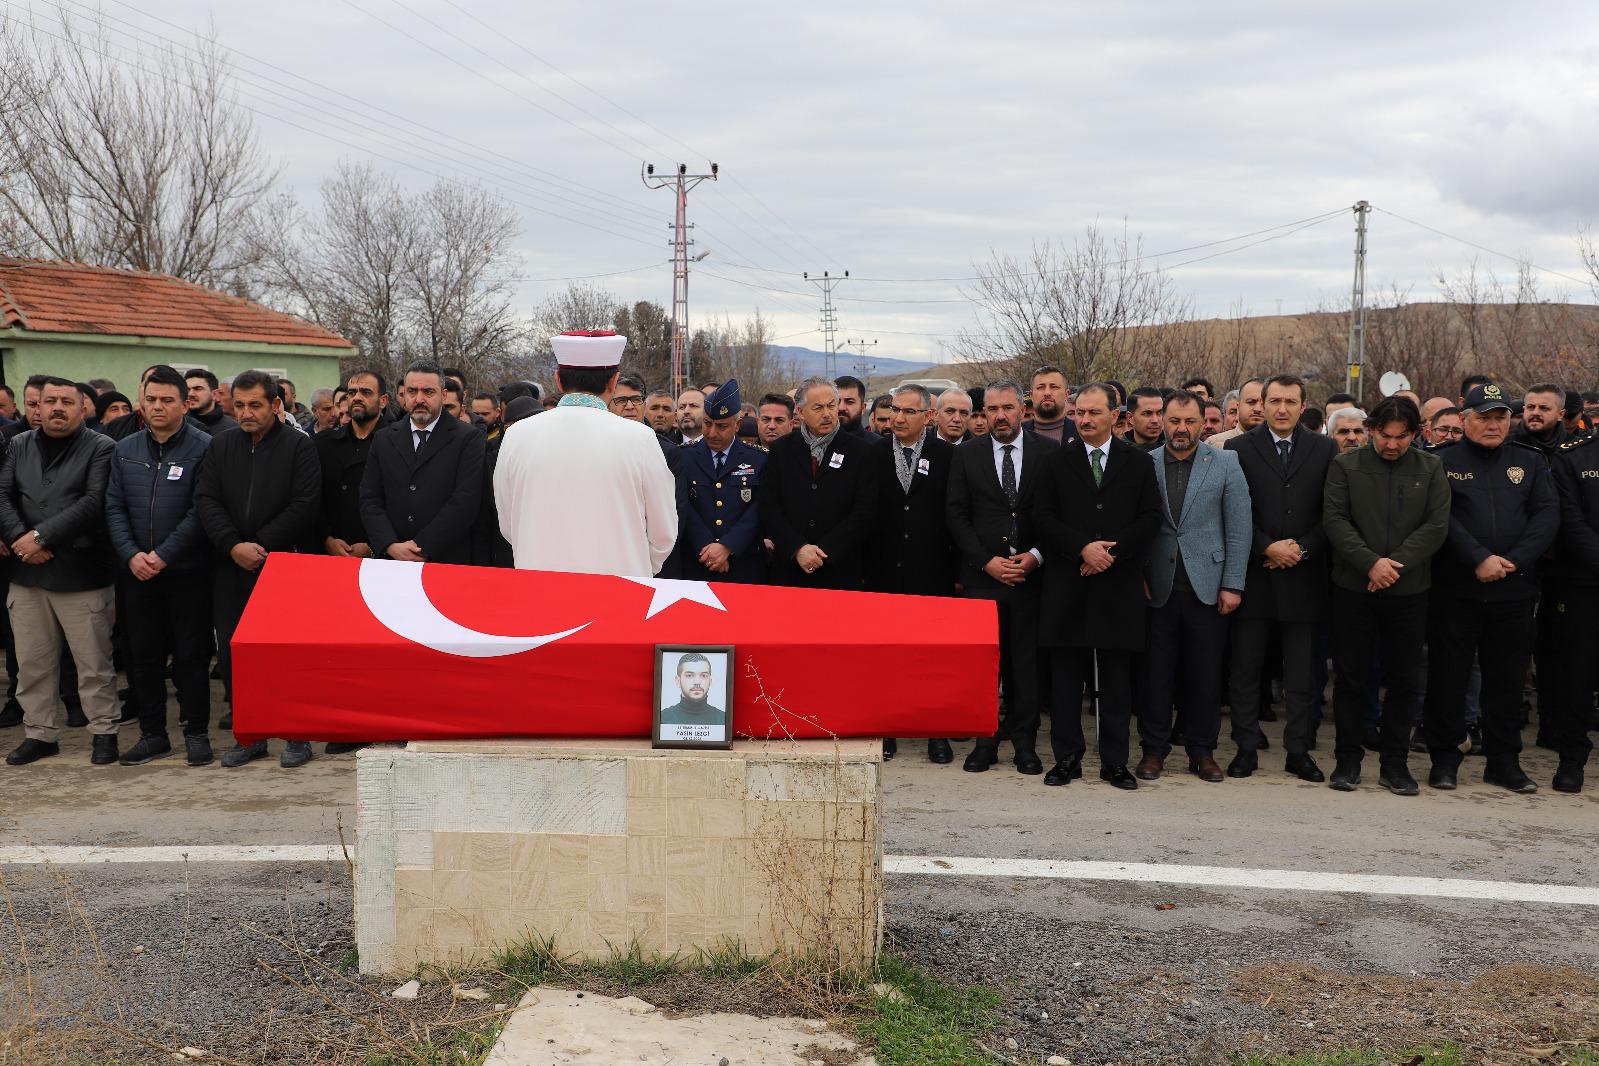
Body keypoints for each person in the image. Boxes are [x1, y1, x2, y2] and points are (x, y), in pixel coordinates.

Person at [1424, 383, 1558, 793]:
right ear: (1465, 420)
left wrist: (1514, 560)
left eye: (1500, 416)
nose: (1493, 424)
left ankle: (1503, 762)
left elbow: (1547, 515)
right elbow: (1439, 517)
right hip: (1457, 589)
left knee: (1506, 681)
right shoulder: (1440, 461)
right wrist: (1478, 557)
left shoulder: (1529, 461)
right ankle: (1444, 759)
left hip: (1514, 589)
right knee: (1449, 678)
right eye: (1483, 416)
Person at [1034, 383, 1160, 790]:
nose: (1084, 420)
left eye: (1093, 413)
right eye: (1078, 413)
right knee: (1067, 682)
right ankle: (1067, 759)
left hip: (1118, 588)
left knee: (1117, 682)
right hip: (1067, 587)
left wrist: (1110, 554)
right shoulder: (1056, 462)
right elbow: (1043, 517)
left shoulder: (1137, 463)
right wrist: (1082, 549)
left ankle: (1115, 762)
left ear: (1115, 416)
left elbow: (1150, 519)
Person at [1322, 397, 1450, 795]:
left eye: (1402, 437)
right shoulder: (1346, 465)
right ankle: (1347, 762)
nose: (1392, 445)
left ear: (1416, 434)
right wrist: (1369, 565)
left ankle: (1395, 765)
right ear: (1372, 430)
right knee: (1351, 679)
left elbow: (1436, 524)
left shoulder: (1431, 468)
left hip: (1409, 590)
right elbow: (1335, 520)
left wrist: (1392, 565)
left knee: (1403, 681)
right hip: (1353, 590)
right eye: (1385, 436)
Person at [194, 370, 321, 769]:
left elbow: (305, 504)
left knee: (284, 656)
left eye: (256, 405)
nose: (246, 413)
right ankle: (250, 736)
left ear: (276, 404)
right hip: (230, 566)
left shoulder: (299, 448)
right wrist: (233, 545)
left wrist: (260, 545)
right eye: (240, 405)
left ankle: (296, 735)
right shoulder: (221, 445)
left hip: (280, 566)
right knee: (236, 655)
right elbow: (206, 498)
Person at [1223, 375, 1337, 781]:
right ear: (1262, 405)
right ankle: (1246, 748)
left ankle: (1298, 751)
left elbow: (1332, 513)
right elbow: (1234, 510)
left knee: (1302, 674)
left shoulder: (1325, 449)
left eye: (1291, 401)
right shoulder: (1238, 449)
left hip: (1305, 577)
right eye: (1274, 401)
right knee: (1246, 670)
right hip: (1255, 576)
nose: (1282, 409)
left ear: (1304, 404)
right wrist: (1266, 547)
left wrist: (1301, 549)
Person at [0, 378, 119, 766]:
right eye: (49, 400)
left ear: (83, 408)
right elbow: (2, 494)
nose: (56, 407)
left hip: (82, 573)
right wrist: (21, 538)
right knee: (32, 663)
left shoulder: (102, 447)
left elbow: (94, 501)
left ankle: (104, 731)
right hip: (27, 573)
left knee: (93, 663)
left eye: (66, 401)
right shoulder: (19, 445)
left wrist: (41, 535)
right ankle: (40, 734)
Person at [1137, 390, 1251, 783]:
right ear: (1162, 422)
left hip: (1208, 587)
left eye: (1189, 421)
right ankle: (1153, 750)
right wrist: (1139, 576)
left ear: (1203, 422)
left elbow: (1239, 528)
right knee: (1156, 675)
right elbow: (1135, 528)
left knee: (1204, 676)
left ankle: (1202, 751)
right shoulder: (1144, 463)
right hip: (1158, 588)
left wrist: (1233, 584)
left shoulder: (1225, 462)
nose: (1181, 429)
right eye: (1174, 421)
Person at [494, 331, 676, 577]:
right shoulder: (639, 438)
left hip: (539, 586)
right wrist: (635, 565)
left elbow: (509, 524)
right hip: (621, 590)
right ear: (614, 382)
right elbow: (663, 533)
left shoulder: (517, 435)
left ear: (558, 380)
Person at [103, 367, 215, 767]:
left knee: (191, 656)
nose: (158, 407)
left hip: (187, 572)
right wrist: (131, 554)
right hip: (136, 572)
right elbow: (113, 506)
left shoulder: (204, 447)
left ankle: (196, 732)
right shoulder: (125, 449)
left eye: (167, 400)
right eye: (151, 399)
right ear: (141, 401)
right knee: (142, 657)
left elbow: (202, 510)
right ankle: (153, 735)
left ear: (185, 403)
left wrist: (164, 554)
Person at [948, 380, 1059, 775]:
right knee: (984, 667)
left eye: (1007, 408)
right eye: (991, 409)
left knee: (1026, 666)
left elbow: (1058, 513)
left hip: (1031, 577)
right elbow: (956, 516)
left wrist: (1036, 556)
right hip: (983, 579)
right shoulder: (968, 455)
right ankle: (985, 742)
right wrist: (987, 562)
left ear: (1022, 410)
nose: (999, 415)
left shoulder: (1049, 453)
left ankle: (1026, 745)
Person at [866, 384, 958, 764]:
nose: (898, 418)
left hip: (931, 571)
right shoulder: (870, 454)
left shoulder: (948, 456)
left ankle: (937, 730)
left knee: (932, 657)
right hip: (883, 571)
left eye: (907, 412)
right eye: (894, 411)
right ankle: (885, 728)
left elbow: (954, 516)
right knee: (885, 656)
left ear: (928, 417)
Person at [361, 364, 485, 567]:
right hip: (391, 562)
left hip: (446, 562)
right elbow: (370, 498)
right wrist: (390, 544)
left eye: (428, 392)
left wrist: (422, 545)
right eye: (412, 391)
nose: (419, 399)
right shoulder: (384, 439)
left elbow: (465, 502)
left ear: (443, 395)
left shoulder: (468, 439)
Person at [760, 377, 877, 589]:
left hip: (840, 570)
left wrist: (825, 551)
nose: (827, 413)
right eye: (818, 407)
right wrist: (798, 548)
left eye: (832, 405)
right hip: (789, 569)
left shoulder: (861, 452)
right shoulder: (781, 450)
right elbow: (769, 507)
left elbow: (864, 512)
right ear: (800, 411)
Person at [677, 379, 767, 584]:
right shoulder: (684, 457)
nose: (712, 433)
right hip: (697, 563)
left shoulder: (759, 459)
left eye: (722, 426)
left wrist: (727, 546)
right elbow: (683, 507)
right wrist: (707, 547)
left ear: (737, 425)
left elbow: (759, 510)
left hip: (743, 564)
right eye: (708, 424)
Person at [1550, 432, 1599, 791]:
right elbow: (1570, 520)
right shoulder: (1574, 457)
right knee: (1577, 674)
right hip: (1586, 583)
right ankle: (1572, 759)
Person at [317, 370, 390, 563]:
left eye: (366, 392)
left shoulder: (397, 443)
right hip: (328, 555)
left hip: (380, 559)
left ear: (383, 401)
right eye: (351, 393)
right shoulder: (324, 443)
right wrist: (326, 539)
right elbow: (312, 497)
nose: (357, 398)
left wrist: (374, 545)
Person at [658, 652, 726, 742]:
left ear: (710, 681)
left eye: (703, 676)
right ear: (678, 681)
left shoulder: (723, 719)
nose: (697, 682)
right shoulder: (663, 718)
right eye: (689, 675)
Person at [1209, 378, 1264, 445]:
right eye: (1251, 402)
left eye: (1263, 404)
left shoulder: (1278, 444)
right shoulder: (1216, 444)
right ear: (1238, 407)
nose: (1257, 409)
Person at [1028, 366, 1075, 444]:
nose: (1047, 393)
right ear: (1031, 395)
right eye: (1040, 387)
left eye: (1054, 387)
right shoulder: (1017, 434)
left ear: (1066, 394)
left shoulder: (1082, 433)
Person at [184, 370, 236, 435]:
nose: (190, 394)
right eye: (187, 389)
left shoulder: (233, 429)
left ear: (214, 394)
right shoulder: (176, 425)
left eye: (198, 389)